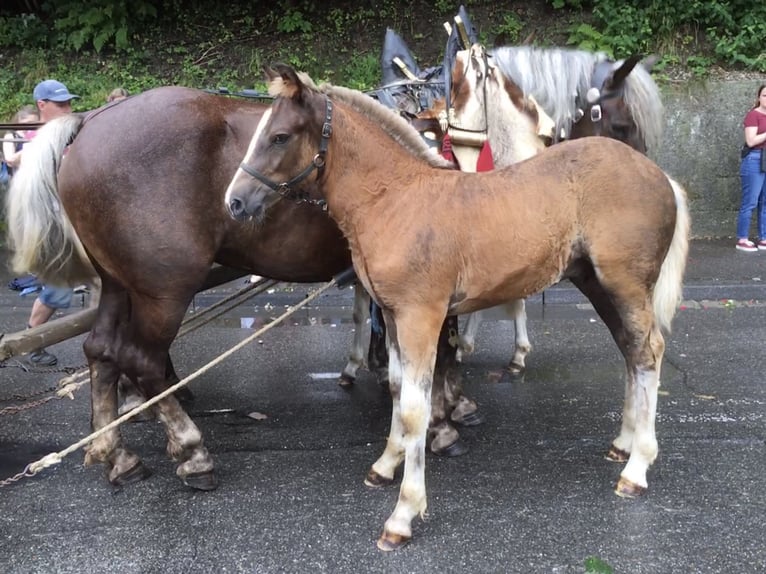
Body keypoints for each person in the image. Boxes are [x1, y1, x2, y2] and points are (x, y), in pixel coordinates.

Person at [24, 79, 80, 366]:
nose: (67, 109)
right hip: (49, 225)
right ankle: (30, 343)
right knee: (58, 286)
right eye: (61, 105)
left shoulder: (63, 135)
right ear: (41, 105)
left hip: (68, 221)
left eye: (69, 103)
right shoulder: (35, 141)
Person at [736, 84, 766, 252]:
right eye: (764, 95)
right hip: (755, 159)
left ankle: (764, 238)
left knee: (765, 203)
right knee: (750, 201)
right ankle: (742, 239)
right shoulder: (753, 115)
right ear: (758, 97)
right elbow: (751, 141)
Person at [2, 105, 39, 177]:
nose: (32, 126)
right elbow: (10, 160)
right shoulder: (11, 136)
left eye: (35, 123)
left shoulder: (39, 134)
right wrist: (31, 145)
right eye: (29, 123)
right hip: (18, 177)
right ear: (20, 121)